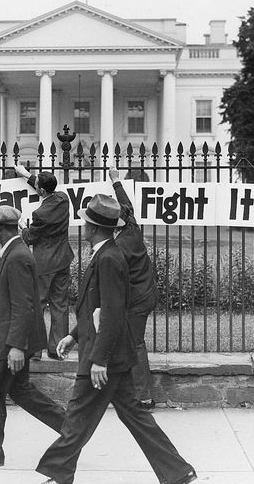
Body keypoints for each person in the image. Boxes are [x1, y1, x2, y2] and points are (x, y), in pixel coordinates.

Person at [35, 195, 196, 484]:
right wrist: (73, 335)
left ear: (93, 228)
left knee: (78, 414)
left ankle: (56, 471)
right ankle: (178, 471)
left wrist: (99, 360)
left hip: (103, 356)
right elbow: (96, 309)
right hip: (113, 354)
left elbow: (111, 312)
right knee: (133, 415)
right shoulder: (105, 253)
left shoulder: (109, 258)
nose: (82, 226)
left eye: (85, 221)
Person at [0, 205, 66, 469]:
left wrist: (16, 346)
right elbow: (13, 304)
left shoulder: (17, 256)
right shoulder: (12, 253)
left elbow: (24, 305)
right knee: (21, 391)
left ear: (1, 229)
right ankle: (73, 429)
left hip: (11, 345)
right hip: (8, 338)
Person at [109, 168, 157, 411]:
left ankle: (143, 396)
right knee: (127, 341)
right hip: (144, 293)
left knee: (135, 342)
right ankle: (128, 390)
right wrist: (116, 181)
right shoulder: (131, 226)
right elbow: (126, 204)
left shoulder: (120, 246)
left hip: (138, 299)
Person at [14, 164, 74, 360]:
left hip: (44, 264)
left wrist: (22, 226)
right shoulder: (63, 199)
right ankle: (57, 348)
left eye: (37, 185)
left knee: (37, 304)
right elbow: (45, 189)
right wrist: (26, 175)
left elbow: (30, 238)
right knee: (60, 305)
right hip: (63, 259)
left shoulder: (40, 214)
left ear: (40, 190)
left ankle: (35, 350)